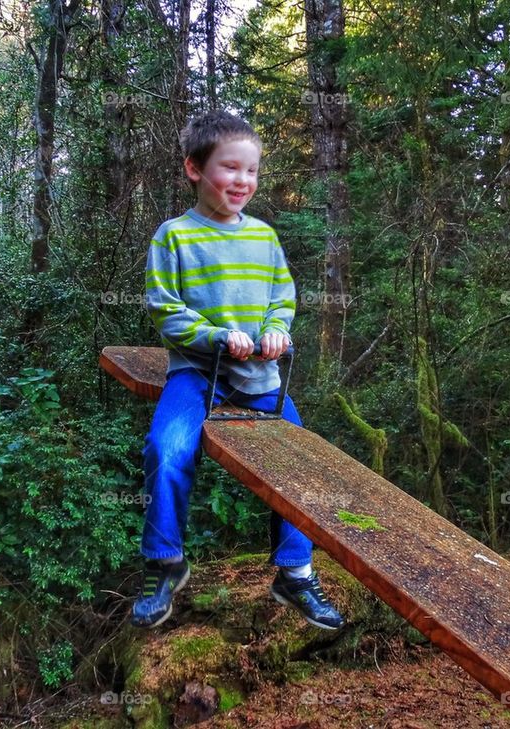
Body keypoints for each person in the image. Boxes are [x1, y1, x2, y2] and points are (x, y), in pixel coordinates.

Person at [132, 110, 344, 631]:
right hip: (198, 373)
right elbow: (164, 306)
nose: (242, 181)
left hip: (260, 380)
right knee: (167, 448)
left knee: (302, 460)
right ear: (194, 169)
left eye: (251, 171)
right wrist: (216, 336)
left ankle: (293, 573)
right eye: (230, 169)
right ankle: (165, 563)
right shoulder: (174, 236)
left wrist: (277, 332)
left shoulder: (265, 239)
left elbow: (282, 298)